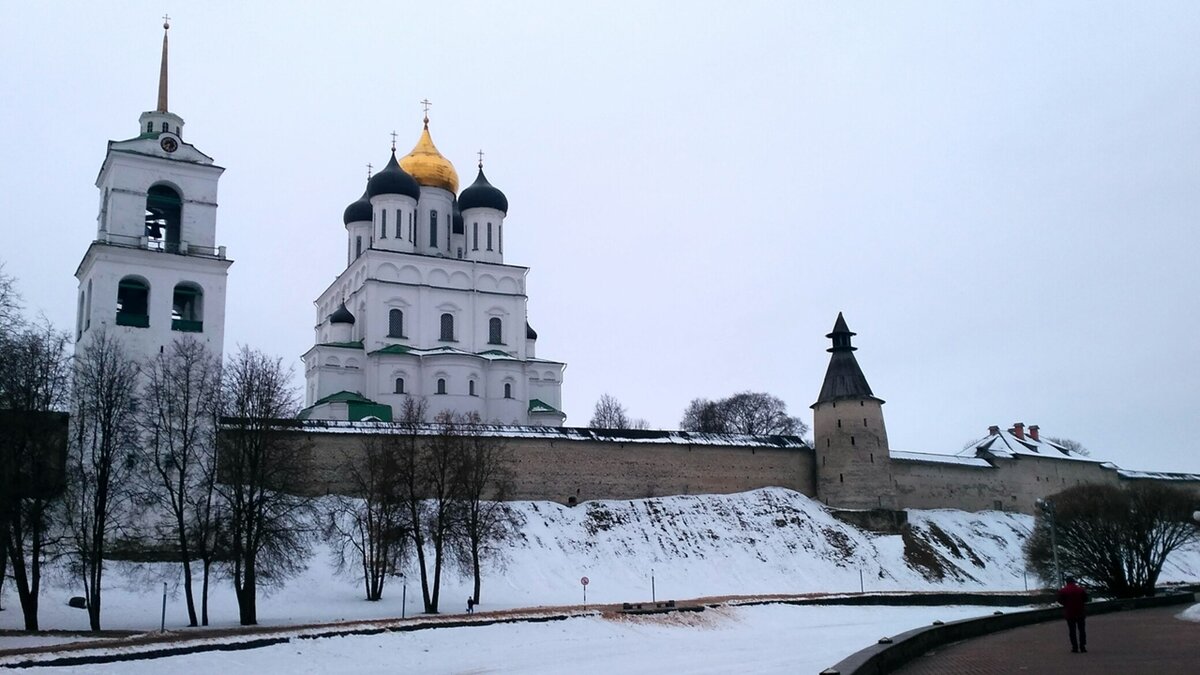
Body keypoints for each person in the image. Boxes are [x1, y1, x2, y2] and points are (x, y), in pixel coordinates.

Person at [1057, 577, 1088, 653]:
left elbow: (1059, 600)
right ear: (1074, 582)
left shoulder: (1063, 591)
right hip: (1080, 612)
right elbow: (1086, 599)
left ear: (1066, 582)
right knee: (1082, 630)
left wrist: (1066, 604)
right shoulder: (1080, 590)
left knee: (1072, 631)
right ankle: (1082, 646)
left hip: (1069, 613)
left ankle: (1075, 647)